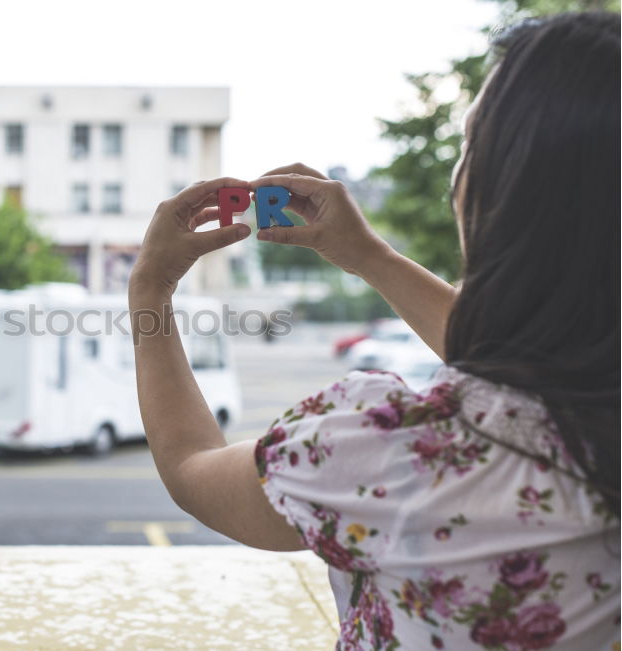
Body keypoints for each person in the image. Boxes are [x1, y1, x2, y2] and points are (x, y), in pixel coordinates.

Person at [127, 12, 619, 650]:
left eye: (470, 143)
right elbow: (531, 363)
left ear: (501, 189)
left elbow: (191, 468)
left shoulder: (390, 448)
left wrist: (150, 291)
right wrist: (369, 256)